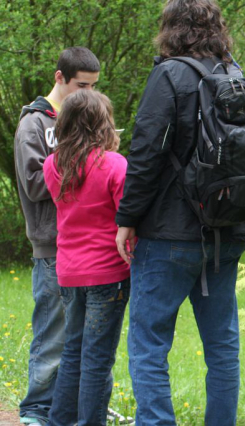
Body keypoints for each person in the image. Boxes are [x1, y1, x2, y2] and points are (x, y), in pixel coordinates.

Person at [115, 1, 245, 424]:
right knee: (222, 346)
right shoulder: (235, 74)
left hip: (168, 235)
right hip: (226, 228)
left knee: (149, 342)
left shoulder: (169, 74)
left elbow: (145, 155)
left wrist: (126, 220)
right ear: (217, 28)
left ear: (170, 28)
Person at [14, 46, 99, 426]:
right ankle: (36, 412)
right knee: (52, 336)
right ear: (59, 77)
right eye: (82, 86)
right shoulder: (33, 124)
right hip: (51, 246)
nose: (89, 96)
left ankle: (70, 410)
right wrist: (85, 169)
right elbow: (34, 184)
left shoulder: (84, 119)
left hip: (88, 246)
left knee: (82, 338)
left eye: (95, 88)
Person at [43, 89, 131, 426]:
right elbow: (128, 217)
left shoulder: (53, 165)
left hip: (68, 271)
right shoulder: (114, 164)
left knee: (72, 353)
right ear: (103, 124)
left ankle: (59, 421)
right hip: (108, 273)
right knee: (97, 360)